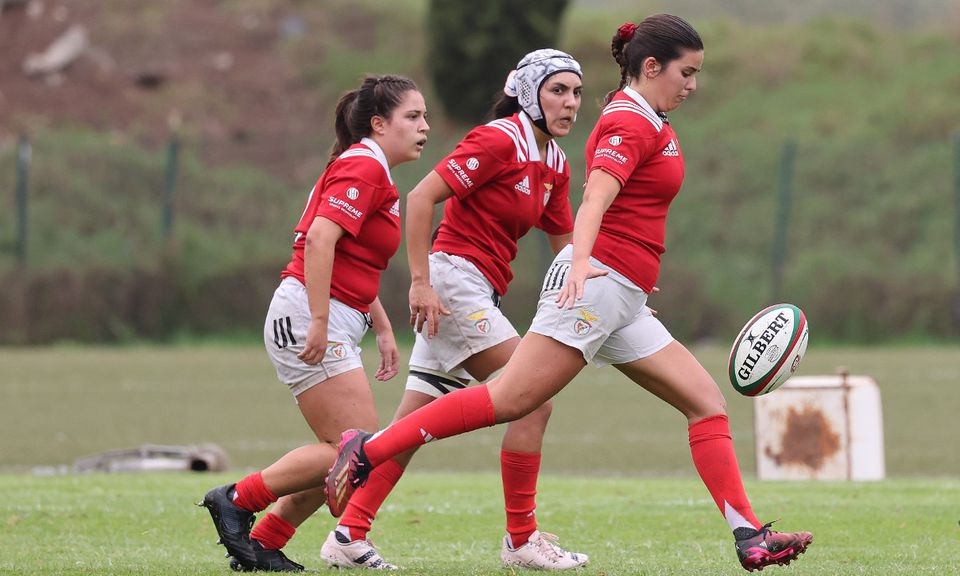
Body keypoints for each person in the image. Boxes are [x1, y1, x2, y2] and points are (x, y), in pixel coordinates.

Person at [324, 15, 813, 573]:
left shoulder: (648, 119)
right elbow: (595, 201)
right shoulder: (628, 122)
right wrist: (581, 264)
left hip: (620, 293)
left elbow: (576, 215)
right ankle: (367, 451)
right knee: (514, 399)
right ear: (651, 67)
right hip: (593, 285)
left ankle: (749, 536)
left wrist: (620, 288)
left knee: (705, 404)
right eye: (687, 72)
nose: (693, 85)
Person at [320, 49, 589, 571]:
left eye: (577, 92)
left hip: (477, 291)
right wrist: (420, 282)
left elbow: (568, 248)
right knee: (533, 401)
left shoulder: (554, 161)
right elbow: (420, 198)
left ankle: (348, 533)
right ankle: (521, 538)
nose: (571, 103)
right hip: (453, 282)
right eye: (558, 90)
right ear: (529, 93)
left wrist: (607, 283)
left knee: (413, 421)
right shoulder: (497, 139)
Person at [199, 74, 429, 572]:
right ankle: (236, 500)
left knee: (348, 454)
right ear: (378, 123)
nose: (424, 127)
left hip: (327, 312)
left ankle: (261, 544)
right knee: (355, 450)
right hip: (307, 312)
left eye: (423, 117)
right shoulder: (364, 166)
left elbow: (352, 261)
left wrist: (383, 326)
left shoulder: (368, 168)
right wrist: (320, 320)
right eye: (412, 116)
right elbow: (321, 241)